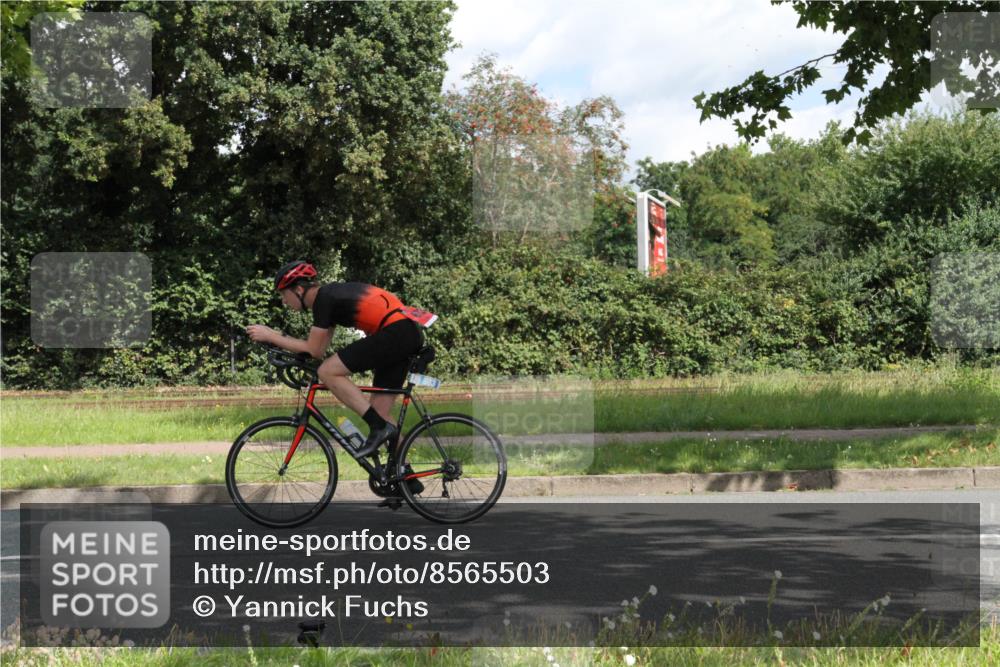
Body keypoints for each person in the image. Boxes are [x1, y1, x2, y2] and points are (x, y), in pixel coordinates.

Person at [246, 260, 425, 458]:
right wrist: (276, 336)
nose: (284, 302)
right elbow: (318, 350)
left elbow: (313, 350)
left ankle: (378, 427)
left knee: (327, 371)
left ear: (298, 290)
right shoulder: (330, 298)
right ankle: (403, 471)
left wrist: (271, 336)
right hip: (405, 332)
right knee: (379, 412)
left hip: (396, 332)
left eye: (283, 295)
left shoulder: (324, 299)